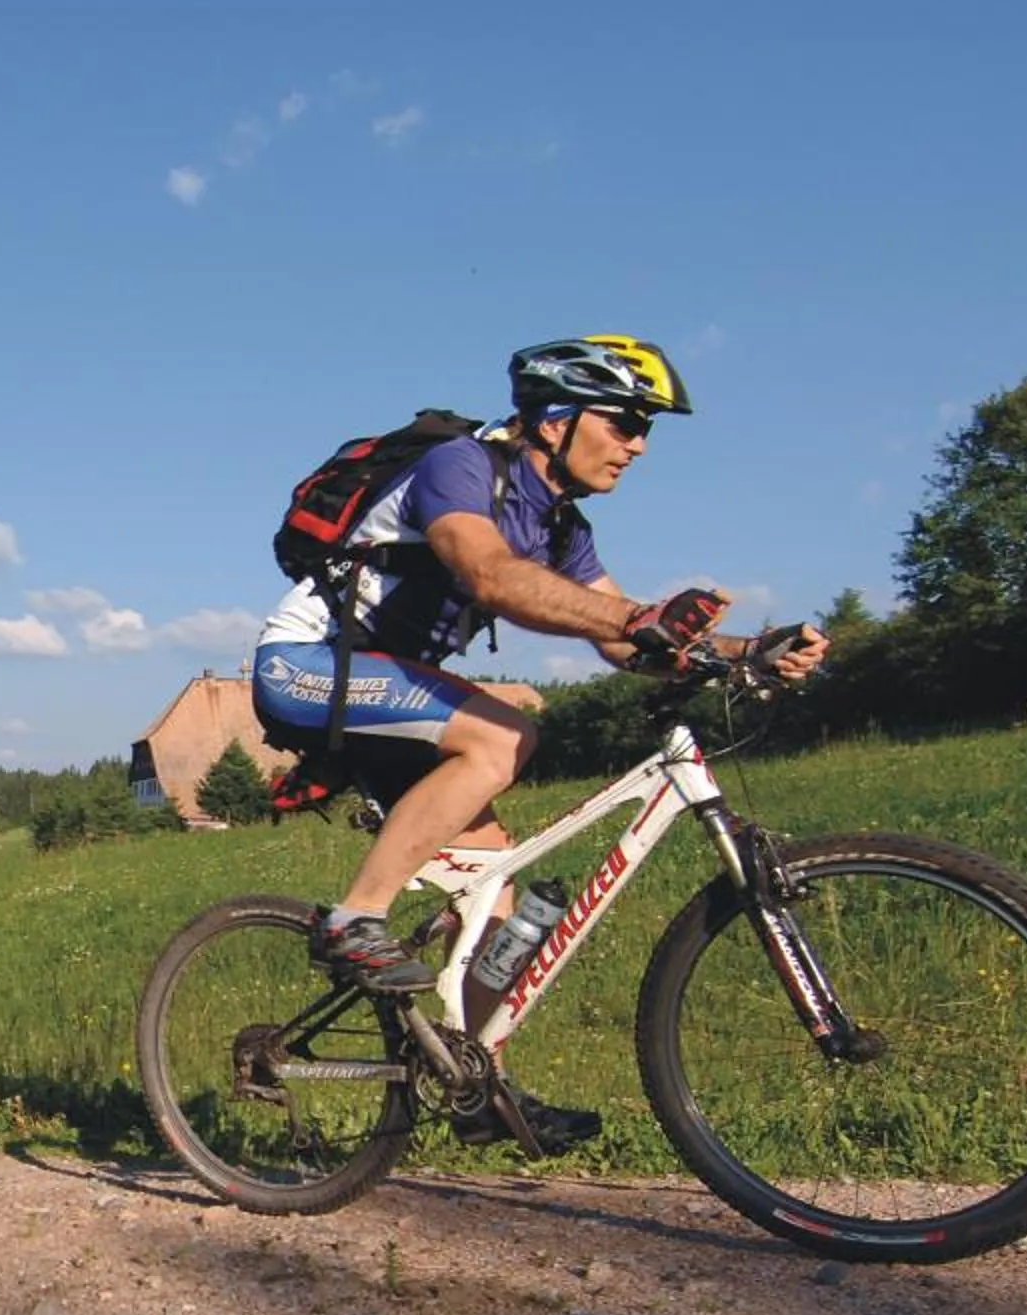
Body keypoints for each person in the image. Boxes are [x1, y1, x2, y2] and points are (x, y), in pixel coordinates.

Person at [249, 335, 828, 1153]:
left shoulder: (563, 528)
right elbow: (487, 573)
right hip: (308, 669)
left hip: (391, 696)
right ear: (556, 418)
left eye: (646, 431)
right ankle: (354, 918)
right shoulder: (462, 466)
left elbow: (626, 640)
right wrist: (638, 618)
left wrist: (750, 649)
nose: (637, 445)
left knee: (501, 908)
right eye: (626, 422)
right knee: (506, 734)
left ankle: (474, 1083)